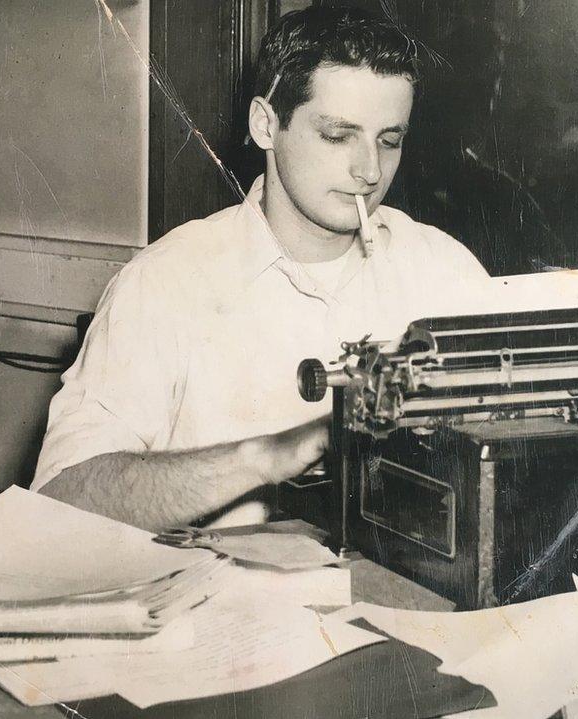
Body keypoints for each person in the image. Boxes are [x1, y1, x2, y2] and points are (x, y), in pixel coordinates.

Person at [31, 6, 491, 530]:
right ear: (265, 124)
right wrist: (266, 457)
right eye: (338, 136)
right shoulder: (164, 283)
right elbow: (58, 500)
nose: (369, 170)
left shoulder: (444, 272)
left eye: (389, 141)